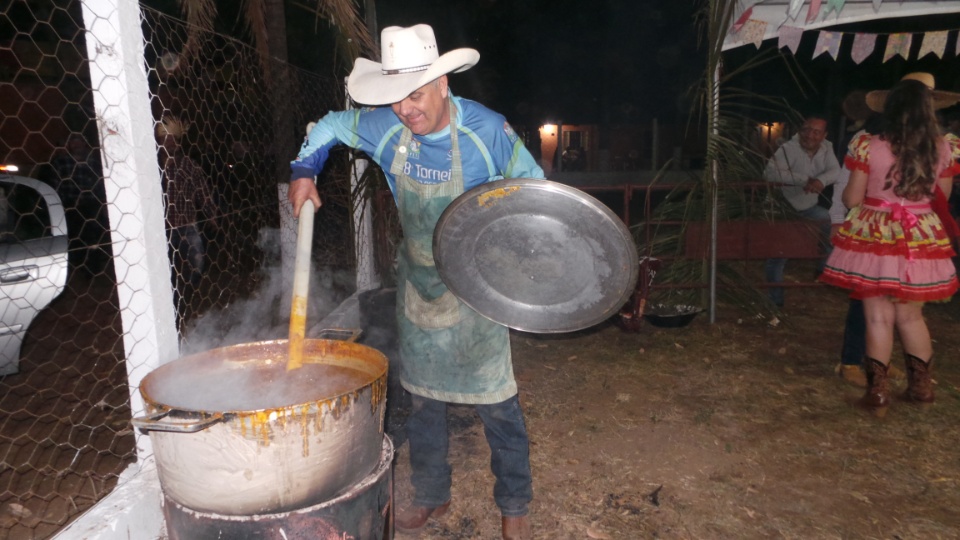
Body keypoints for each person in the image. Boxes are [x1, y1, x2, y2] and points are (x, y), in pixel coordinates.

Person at [288, 24, 543, 540]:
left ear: (444, 84)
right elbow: (330, 126)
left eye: (416, 94)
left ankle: (514, 503)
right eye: (396, 99)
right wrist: (303, 169)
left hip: (477, 284)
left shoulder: (486, 131)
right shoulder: (385, 128)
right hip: (420, 284)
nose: (406, 109)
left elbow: (535, 194)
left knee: (496, 401)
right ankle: (431, 495)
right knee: (423, 400)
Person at [819, 73, 960, 417]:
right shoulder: (944, 147)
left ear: (892, 108)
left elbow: (852, 197)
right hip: (919, 236)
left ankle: (878, 393)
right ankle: (921, 388)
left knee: (878, 317)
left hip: (875, 235)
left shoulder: (870, 145)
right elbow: (942, 197)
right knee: (911, 318)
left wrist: (877, 198)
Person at [763, 114, 840, 306]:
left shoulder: (827, 147)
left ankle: (823, 270)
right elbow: (770, 173)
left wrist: (821, 181)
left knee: (833, 228)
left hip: (807, 207)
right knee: (778, 255)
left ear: (824, 135)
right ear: (800, 130)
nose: (810, 135)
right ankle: (775, 302)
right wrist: (805, 179)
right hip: (782, 209)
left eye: (816, 132)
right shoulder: (787, 149)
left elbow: (835, 171)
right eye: (807, 130)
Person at [156, 116, 218, 318]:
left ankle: (188, 294)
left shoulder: (188, 165)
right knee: (165, 270)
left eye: (174, 139)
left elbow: (202, 191)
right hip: (162, 229)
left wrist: (211, 215)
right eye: (166, 139)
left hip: (187, 224)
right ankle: (170, 304)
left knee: (198, 264)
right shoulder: (152, 167)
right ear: (160, 141)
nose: (170, 143)